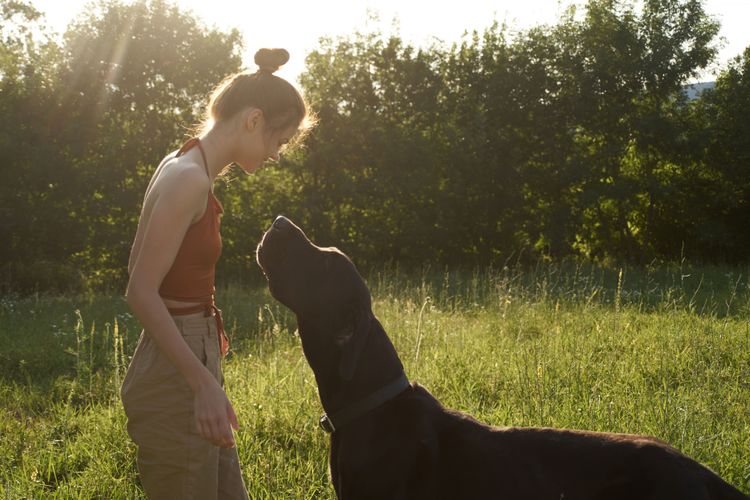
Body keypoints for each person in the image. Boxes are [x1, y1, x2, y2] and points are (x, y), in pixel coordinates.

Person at [120, 48, 313, 499]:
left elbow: (148, 272)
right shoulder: (188, 178)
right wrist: (201, 381)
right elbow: (139, 289)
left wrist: (205, 327)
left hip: (191, 352)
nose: (276, 155)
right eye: (278, 141)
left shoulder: (185, 164)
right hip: (176, 375)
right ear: (253, 120)